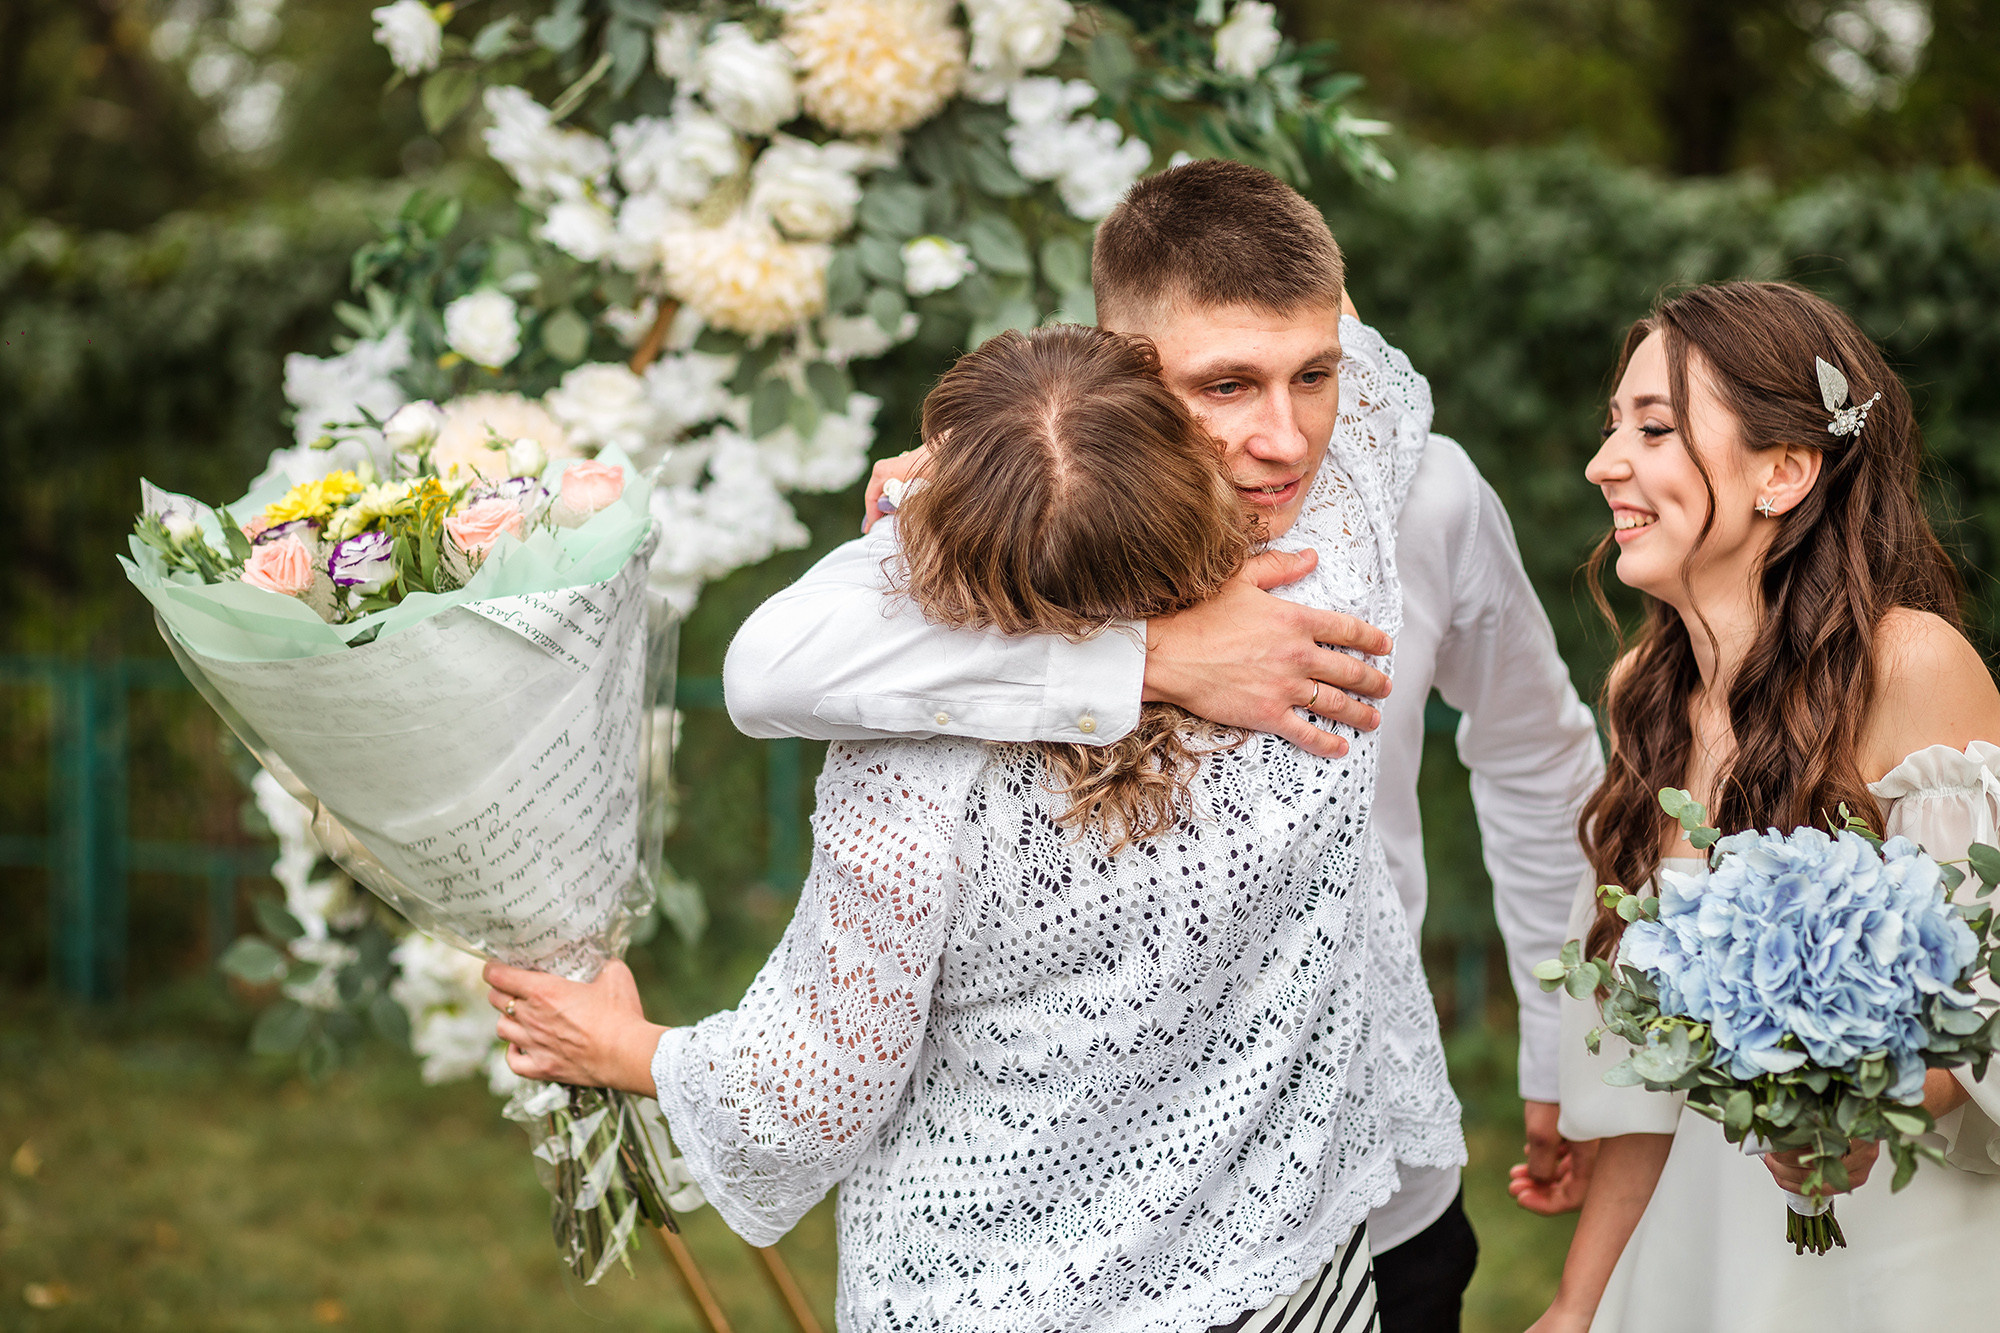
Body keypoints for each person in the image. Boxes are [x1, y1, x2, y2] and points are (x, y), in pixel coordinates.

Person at [721, 159, 1606, 1332]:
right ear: (1123, 368)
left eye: (1313, 375)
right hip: (1055, 1216)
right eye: (1225, 385)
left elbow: (1535, 756)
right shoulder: (1021, 516)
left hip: (1371, 1200)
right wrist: (1147, 657)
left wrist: (1556, 1040)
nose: (1283, 438)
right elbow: (767, 670)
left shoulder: (1419, 497)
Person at [486, 323, 1465, 1332]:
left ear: (947, 533)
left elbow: (815, 1090)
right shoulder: (1321, 612)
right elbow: (1359, 367)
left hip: (995, 1292)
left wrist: (625, 1047)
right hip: (1284, 1281)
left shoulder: (908, 780)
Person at [1520, 280, 2000, 1332]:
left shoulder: (1911, 666)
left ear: (1783, 471)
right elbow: (1652, 1089)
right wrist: (1574, 1304)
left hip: (1894, 1260)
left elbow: (1988, 999)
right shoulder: (1642, 695)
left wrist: (1856, 1101)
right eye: (1612, 426)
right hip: (1699, 1257)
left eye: (1653, 429)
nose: (1604, 464)